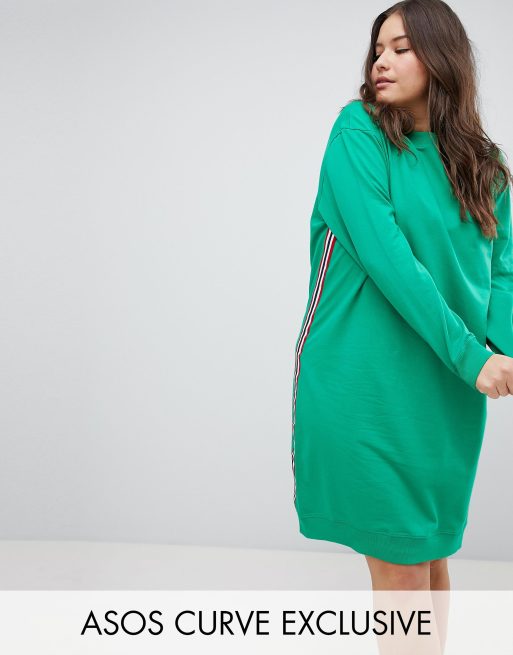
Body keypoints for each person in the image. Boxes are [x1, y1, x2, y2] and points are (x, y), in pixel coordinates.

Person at [290, 0, 513, 603]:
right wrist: (475, 359)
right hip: (365, 381)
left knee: (430, 558)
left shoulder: (484, 164)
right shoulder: (357, 133)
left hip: (446, 390)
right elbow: (390, 261)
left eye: (401, 48)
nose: (380, 62)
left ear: (442, 57)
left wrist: (504, 354)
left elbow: (502, 271)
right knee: (403, 568)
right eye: (377, 49)